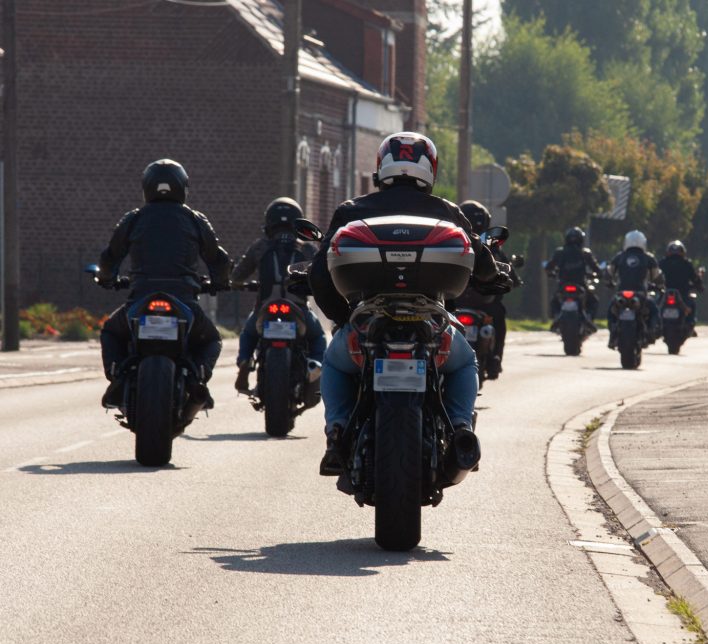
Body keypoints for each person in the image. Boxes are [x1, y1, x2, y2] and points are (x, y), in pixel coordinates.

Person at [308, 132, 509, 473]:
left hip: (368, 323)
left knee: (337, 363)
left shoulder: (352, 211)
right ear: (430, 169)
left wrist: (343, 318)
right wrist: (493, 277)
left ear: (380, 167)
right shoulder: (447, 212)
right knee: (463, 364)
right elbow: (481, 258)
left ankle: (336, 433)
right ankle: (461, 428)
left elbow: (319, 273)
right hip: (430, 323)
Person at [97, 159, 230, 409]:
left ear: (146, 187)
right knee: (211, 339)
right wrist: (220, 282)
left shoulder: (134, 219)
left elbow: (110, 256)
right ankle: (198, 377)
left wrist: (107, 278)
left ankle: (116, 377)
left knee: (111, 332)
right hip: (184, 301)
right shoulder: (194, 219)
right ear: (183, 188)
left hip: (141, 298)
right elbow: (217, 258)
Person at [230, 197, 327, 394]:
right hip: (298, 309)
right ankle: (314, 365)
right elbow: (322, 275)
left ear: (269, 222)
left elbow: (237, 276)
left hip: (265, 308)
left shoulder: (260, 247)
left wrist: (238, 283)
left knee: (248, 333)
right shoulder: (307, 248)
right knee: (318, 336)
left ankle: (245, 361)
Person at [456, 199, 521, 377]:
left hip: (456, 301)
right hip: (484, 304)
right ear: (485, 222)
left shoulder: (453, 242)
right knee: (499, 315)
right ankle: (495, 358)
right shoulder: (491, 247)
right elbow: (510, 275)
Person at [606, 229, 664, 348]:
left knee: (610, 311)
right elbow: (656, 276)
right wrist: (659, 285)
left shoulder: (620, 257)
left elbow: (609, 273)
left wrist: (609, 282)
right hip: (640, 294)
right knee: (654, 310)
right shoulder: (648, 258)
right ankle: (651, 332)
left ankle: (612, 335)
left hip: (621, 293)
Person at [544, 226, 601, 325]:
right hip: (581, 284)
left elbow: (548, 267)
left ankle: (556, 317)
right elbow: (596, 269)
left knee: (554, 301)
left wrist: (551, 273)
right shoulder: (585, 253)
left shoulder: (560, 252)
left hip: (563, 284)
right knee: (593, 301)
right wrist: (597, 275)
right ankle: (589, 319)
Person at [659, 240, 704, 333]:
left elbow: (655, 277)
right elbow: (695, 278)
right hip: (680, 294)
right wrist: (699, 286)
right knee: (692, 304)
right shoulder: (686, 263)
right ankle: (690, 325)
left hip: (666, 293)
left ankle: (689, 324)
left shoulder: (662, 263)